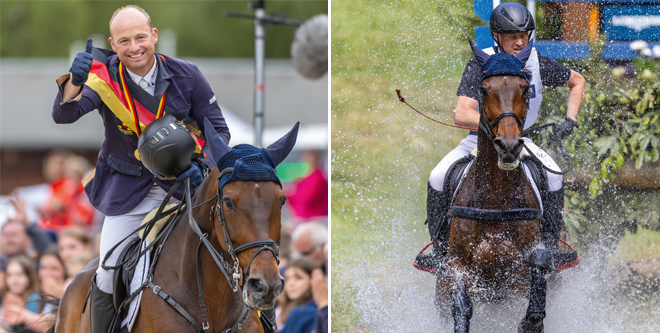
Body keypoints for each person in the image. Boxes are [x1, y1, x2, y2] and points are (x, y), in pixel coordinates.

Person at [51, 5, 230, 333]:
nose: (134, 47)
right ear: (112, 43)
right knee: (106, 272)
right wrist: (74, 83)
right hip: (128, 192)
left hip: (184, 186)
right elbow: (65, 116)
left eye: (140, 37)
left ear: (154, 36)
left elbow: (218, 132)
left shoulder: (188, 74)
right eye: (124, 41)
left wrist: (201, 167)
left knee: (233, 251)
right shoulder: (103, 77)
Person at [415, 2, 586, 273]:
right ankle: (440, 252)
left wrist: (570, 119)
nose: (520, 42)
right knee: (437, 176)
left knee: (554, 175)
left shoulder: (536, 62)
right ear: (497, 36)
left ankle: (552, 247)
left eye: (523, 35)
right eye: (512, 36)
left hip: (520, 142)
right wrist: (499, 127)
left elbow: (577, 80)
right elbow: (462, 113)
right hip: (479, 142)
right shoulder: (480, 63)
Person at [1, 256, 55, 333]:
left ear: (29, 278)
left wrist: (22, 308)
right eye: (9, 275)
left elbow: (30, 329)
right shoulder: (9, 297)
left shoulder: (34, 299)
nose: (14, 281)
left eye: (19, 275)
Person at [286, 150, 328, 223]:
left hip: (312, 219)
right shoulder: (308, 177)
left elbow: (306, 199)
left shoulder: (317, 178)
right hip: (303, 218)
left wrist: (287, 194)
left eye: (308, 156)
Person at [277, 257, 318, 333]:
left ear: (313, 279)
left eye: (298, 278)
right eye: (287, 278)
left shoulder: (302, 312)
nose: (290, 283)